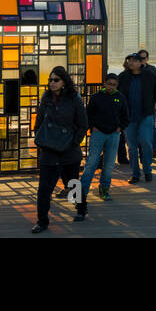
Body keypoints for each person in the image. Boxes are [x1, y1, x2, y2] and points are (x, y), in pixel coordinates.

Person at [32, 66, 88, 233]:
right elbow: (39, 120)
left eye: (56, 80)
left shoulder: (74, 98)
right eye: (50, 80)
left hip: (68, 150)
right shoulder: (46, 98)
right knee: (44, 188)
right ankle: (42, 221)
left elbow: (83, 124)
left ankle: (81, 208)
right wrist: (40, 140)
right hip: (49, 150)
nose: (52, 83)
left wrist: (74, 142)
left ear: (64, 82)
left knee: (71, 183)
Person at [76, 72, 129, 217]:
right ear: (104, 83)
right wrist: (93, 127)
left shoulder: (121, 98)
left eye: (114, 85)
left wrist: (120, 128)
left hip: (114, 134)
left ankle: (104, 189)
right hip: (98, 133)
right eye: (109, 84)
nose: (111, 87)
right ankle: (83, 192)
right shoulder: (96, 97)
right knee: (91, 163)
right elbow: (88, 114)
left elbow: (126, 116)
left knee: (109, 164)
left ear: (117, 85)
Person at [117, 53, 156, 183]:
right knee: (132, 146)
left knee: (146, 143)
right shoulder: (123, 77)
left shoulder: (149, 76)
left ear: (140, 63)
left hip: (146, 115)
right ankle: (135, 174)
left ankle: (147, 170)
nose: (131, 63)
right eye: (129, 61)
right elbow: (117, 96)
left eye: (134, 60)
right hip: (129, 117)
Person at [137, 49, 156, 156]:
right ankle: (143, 151)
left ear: (147, 59)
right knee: (138, 128)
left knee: (151, 126)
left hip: (150, 104)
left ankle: (155, 149)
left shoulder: (152, 69)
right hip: (137, 105)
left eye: (144, 58)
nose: (142, 60)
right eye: (140, 58)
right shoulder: (134, 70)